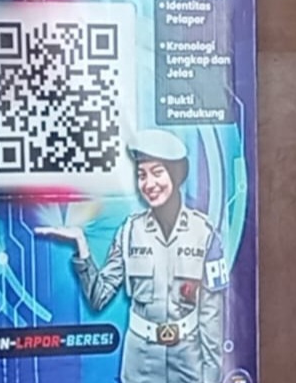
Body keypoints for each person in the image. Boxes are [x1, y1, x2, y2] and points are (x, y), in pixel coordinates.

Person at [35, 129, 226, 383]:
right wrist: (82, 247)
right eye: (142, 175)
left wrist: (211, 377)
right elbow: (98, 297)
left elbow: (211, 315)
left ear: (176, 174)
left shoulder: (204, 233)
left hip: (188, 361)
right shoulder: (129, 231)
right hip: (139, 363)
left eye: (157, 172)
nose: (149, 184)